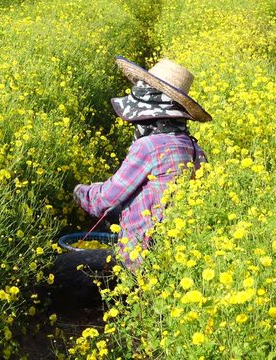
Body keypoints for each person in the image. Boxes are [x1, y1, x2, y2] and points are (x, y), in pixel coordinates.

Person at [53, 56, 211, 296]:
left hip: (142, 258)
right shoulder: (194, 148)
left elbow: (102, 201)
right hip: (175, 255)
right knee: (115, 216)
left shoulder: (148, 147)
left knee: (60, 268)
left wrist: (79, 191)